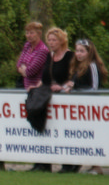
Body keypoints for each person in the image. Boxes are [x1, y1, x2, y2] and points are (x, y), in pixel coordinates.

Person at [63, 38, 109, 175]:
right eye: (77, 51)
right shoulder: (77, 68)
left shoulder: (93, 66)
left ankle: (96, 167)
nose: (78, 54)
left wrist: (75, 87)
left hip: (91, 109)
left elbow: (94, 88)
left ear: (89, 52)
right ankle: (78, 164)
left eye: (82, 51)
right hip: (79, 109)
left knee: (92, 137)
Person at [42, 27, 78, 173]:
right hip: (51, 98)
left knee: (67, 132)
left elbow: (75, 76)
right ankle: (44, 164)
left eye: (54, 40)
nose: (51, 43)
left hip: (67, 99)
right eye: (49, 40)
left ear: (61, 41)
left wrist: (63, 87)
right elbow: (44, 77)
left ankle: (69, 164)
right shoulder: (48, 57)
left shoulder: (70, 56)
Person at [15, 21, 50, 172]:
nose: (29, 36)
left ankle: (44, 164)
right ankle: (37, 162)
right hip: (26, 88)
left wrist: (24, 69)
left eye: (32, 33)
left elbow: (31, 71)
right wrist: (23, 69)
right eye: (27, 32)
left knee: (38, 124)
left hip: (37, 91)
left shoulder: (42, 50)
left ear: (39, 34)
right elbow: (19, 65)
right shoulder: (26, 46)